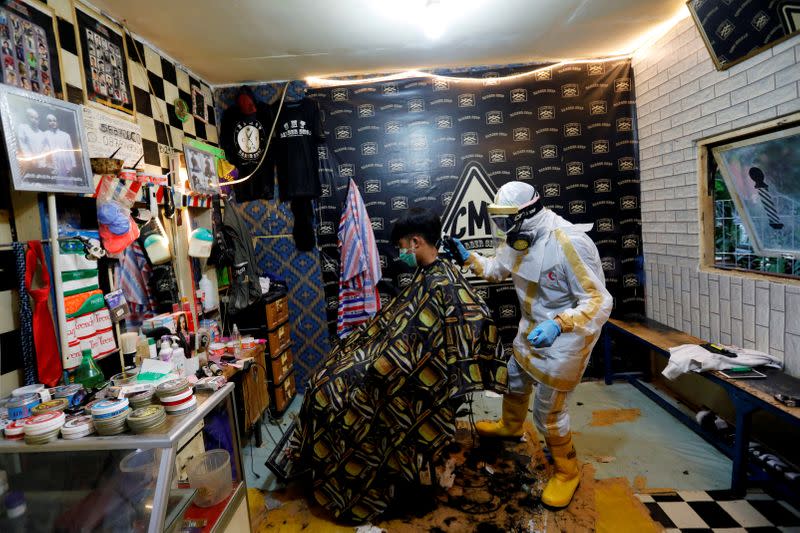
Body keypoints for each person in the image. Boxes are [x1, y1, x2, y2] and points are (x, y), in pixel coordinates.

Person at [290, 208, 506, 523]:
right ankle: (317, 459)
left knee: (330, 395)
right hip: (391, 359)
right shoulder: (430, 274)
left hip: (405, 379)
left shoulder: (444, 282)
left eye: (403, 246)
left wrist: (380, 364)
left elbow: (472, 320)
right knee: (323, 379)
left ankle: (354, 485)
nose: (400, 254)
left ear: (416, 242)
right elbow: (398, 327)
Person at [450, 181, 612, 509]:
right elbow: (497, 269)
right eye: (498, 220)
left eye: (506, 220)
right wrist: (468, 258)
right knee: (514, 378)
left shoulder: (569, 242)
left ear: (528, 214)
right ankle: (510, 426)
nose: (502, 228)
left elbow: (598, 300)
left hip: (566, 338)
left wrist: (559, 324)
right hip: (530, 330)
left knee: (548, 413)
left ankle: (566, 472)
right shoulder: (517, 236)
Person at [17, 107, 49, 173]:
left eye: (36, 118)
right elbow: (23, 145)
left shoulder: (42, 133)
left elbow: (45, 148)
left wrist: (41, 159)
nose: (34, 120)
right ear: (27, 117)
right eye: (32, 117)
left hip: (41, 164)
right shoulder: (23, 128)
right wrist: (31, 158)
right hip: (28, 163)